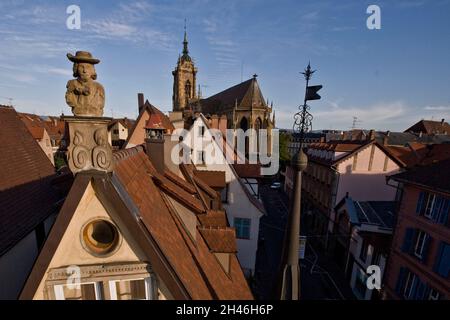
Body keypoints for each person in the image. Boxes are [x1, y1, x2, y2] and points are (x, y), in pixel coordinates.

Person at [65, 51, 105, 116]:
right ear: (76, 68)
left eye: (88, 67)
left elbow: (100, 104)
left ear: (92, 70)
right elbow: (69, 100)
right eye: (81, 67)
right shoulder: (72, 84)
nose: (84, 71)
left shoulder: (99, 87)